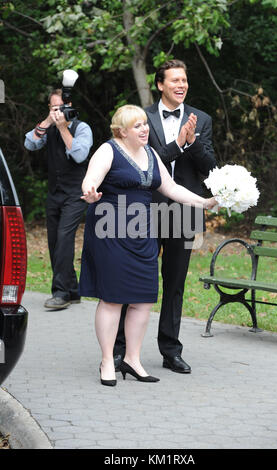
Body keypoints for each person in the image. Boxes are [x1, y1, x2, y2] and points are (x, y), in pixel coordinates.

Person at [79, 104, 217, 386]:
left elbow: (171, 189)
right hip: (111, 231)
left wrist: (205, 202)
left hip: (143, 233)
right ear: (122, 131)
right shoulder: (108, 150)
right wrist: (90, 193)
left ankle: (132, 359)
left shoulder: (152, 154)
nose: (144, 129)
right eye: (138, 126)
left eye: (145, 124)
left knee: (142, 300)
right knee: (113, 298)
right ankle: (108, 360)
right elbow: (90, 181)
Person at [114, 60, 217, 374]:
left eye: (184, 80)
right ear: (160, 85)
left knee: (175, 284)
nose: (181, 85)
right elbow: (147, 160)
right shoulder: (141, 118)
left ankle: (170, 350)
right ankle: (119, 351)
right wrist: (178, 144)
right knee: (132, 278)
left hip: (182, 211)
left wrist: (193, 142)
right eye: (175, 80)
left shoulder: (203, 119)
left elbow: (211, 168)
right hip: (142, 209)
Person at [24, 89, 93, 309]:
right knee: (54, 241)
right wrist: (48, 120)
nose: (57, 113)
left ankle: (61, 293)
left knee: (64, 237)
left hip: (76, 193)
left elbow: (79, 154)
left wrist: (63, 127)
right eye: (53, 108)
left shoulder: (82, 128)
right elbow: (30, 143)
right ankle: (73, 290)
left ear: (69, 106)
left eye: (60, 108)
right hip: (54, 193)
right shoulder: (49, 127)